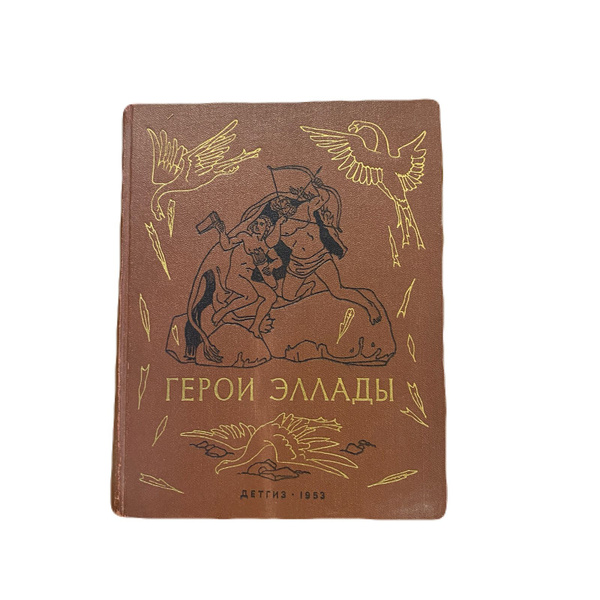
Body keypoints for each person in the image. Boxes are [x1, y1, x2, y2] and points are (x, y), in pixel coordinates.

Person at [279, 178, 382, 325]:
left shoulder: (306, 208)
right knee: (288, 295)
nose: (286, 208)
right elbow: (269, 241)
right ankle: (310, 285)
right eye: (282, 208)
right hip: (298, 263)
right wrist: (278, 225)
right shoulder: (280, 226)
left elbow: (324, 197)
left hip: (319, 257)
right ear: (279, 212)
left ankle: (369, 307)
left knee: (338, 290)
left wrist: (319, 186)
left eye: (287, 204)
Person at [212, 214, 284, 339]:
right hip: (235, 277)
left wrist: (271, 266)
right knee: (251, 296)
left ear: (267, 228)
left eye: (261, 224)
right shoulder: (244, 236)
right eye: (257, 222)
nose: (257, 225)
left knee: (271, 297)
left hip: (248, 279)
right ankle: (223, 311)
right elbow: (226, 245)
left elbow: (279, 261)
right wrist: (222, 233)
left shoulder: (264, 246)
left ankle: (255, 326)